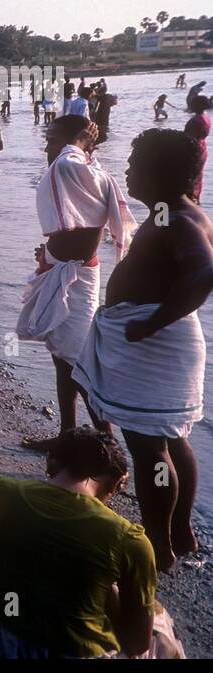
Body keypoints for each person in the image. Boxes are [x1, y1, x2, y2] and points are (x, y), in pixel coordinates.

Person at [71, 129, 213, 570]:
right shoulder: (176, 212)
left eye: (136, 165)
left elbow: (204, 272)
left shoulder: (177, 217)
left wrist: (150, 323)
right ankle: (180, 532)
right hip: (161, 338)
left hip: (154, 341)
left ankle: (158, 545)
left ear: (160, 172)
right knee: (172, 439)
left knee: (149, 448)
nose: (128, 171)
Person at [0, 429, 172, 659]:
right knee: (158, 619)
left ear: (52, 462)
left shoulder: (3, 490)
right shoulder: (129, 538)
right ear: (116, 482)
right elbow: (137, 644)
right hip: (66, 652)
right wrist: (110, 592)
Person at [18, 116, 135, 449]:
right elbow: (69, 231)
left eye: (53, 140)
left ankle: (107, 442)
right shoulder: (80, 171)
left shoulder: (79, 170)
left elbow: (68, 162)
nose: (47, 148)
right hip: (63, 270)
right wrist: (49, 254)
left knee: (78, 362)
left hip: (77, 278)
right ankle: (67, 434)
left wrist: (78, 142)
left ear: (76, 143)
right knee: (61, 357)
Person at [183, 96, 209, 201]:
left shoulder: (195, 120)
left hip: (194, 151)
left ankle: (190, 201)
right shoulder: (205, 116)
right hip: (202, 148)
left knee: (190, 178)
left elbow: (189, 139)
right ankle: (195, 200)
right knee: (197, 177)